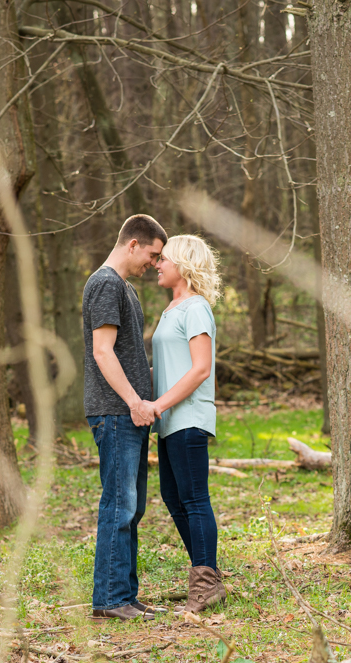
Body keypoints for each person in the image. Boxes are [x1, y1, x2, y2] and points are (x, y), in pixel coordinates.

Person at [82, 214, 167, 621]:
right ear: (133, 243)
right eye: (153, 254)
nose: (155, 263)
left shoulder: (125, 288)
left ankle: (124, 596)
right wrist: (135, 401)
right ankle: (109, 600)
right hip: (115, 412)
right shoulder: (105, 284)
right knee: (119, 505)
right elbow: (103, 351)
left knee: (132, 508)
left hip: (129, 414)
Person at [152, 234, 227, 613]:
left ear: (183, 263)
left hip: (188, 417)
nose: (157, 264)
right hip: (169, 419)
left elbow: (200, 369)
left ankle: (205, 583)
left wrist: (158, 404)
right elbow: (173, 365)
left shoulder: (196, 308)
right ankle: (206, 571)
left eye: (164, 258)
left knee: (195, 500)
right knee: (173, 497)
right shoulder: (173, 308)